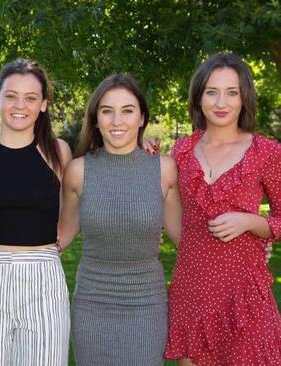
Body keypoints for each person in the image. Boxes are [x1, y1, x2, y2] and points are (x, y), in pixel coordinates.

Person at [164, 53, 281, 365]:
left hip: (246, 296)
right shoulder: (180, 151)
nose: (221, 102)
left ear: (244, 98)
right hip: (193, 292)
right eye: (212, 91)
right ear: (199, 96)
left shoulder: (266, 152)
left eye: (232, 92)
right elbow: (172, 215)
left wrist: (250, 223)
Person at [58, 74, 182, 365]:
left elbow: (185, 239)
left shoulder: (163, 169)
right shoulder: (78, 171)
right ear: (96, 118)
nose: (117, 121)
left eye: (127, 110)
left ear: (141, 118)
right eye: (107, 111)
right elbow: (61, 236)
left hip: (147, 305)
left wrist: (246, 247)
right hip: (92, 304)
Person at [0, 59, 72, 365]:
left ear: (44, 104)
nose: (19, 105)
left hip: (44, 277)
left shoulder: (58, 152)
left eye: (31, 97)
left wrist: (57, 245)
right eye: (11, 95)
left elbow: (75, 205)